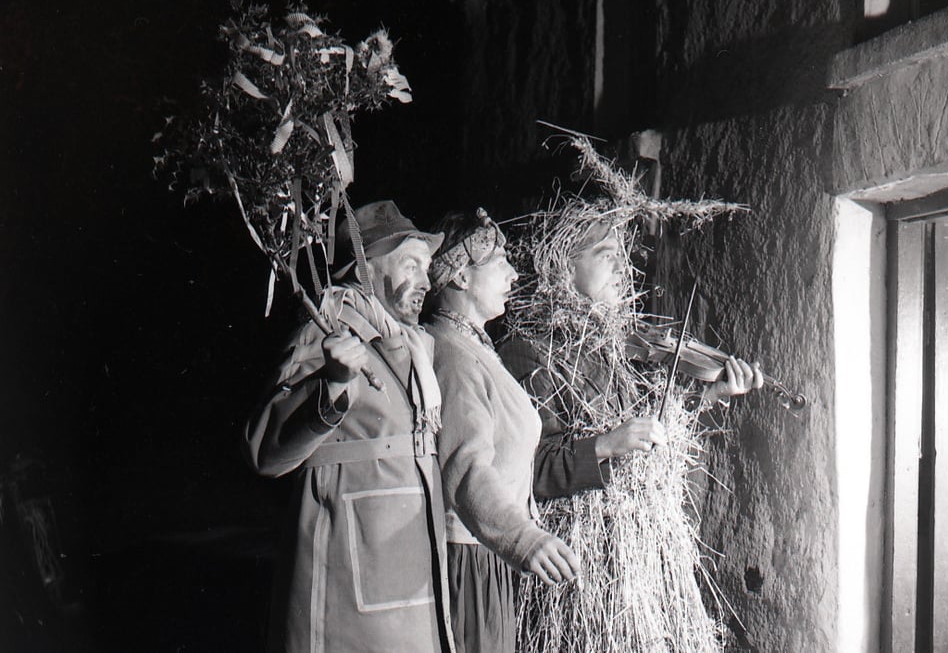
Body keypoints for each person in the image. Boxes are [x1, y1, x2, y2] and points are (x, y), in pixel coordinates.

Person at [499, 207, 762, 651]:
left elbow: (652, 444)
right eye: (605, 254)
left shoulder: (619, 348)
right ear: (562, 265)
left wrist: (710, 399)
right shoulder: (528, 353)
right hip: (582, 578)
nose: (624, 266)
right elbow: (528, 472)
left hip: (641, 570)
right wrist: (604, 445)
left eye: (622, 253)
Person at [244, 200, 455, 653]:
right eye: (411, 265)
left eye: (427, 267)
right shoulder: (328, 331)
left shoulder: (411, 347)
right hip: (351, 592)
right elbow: (265, 451)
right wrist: (332, 383)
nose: (425, 281)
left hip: (407, 582)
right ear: (365, 269)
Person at [424, 209, 579, 653]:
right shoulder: (452, 358)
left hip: (485, 552)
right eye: (498, 262)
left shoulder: (474, 348)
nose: (513, 274)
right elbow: (466, 468)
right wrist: (523, 537)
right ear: (460, 278)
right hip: (467, 556)